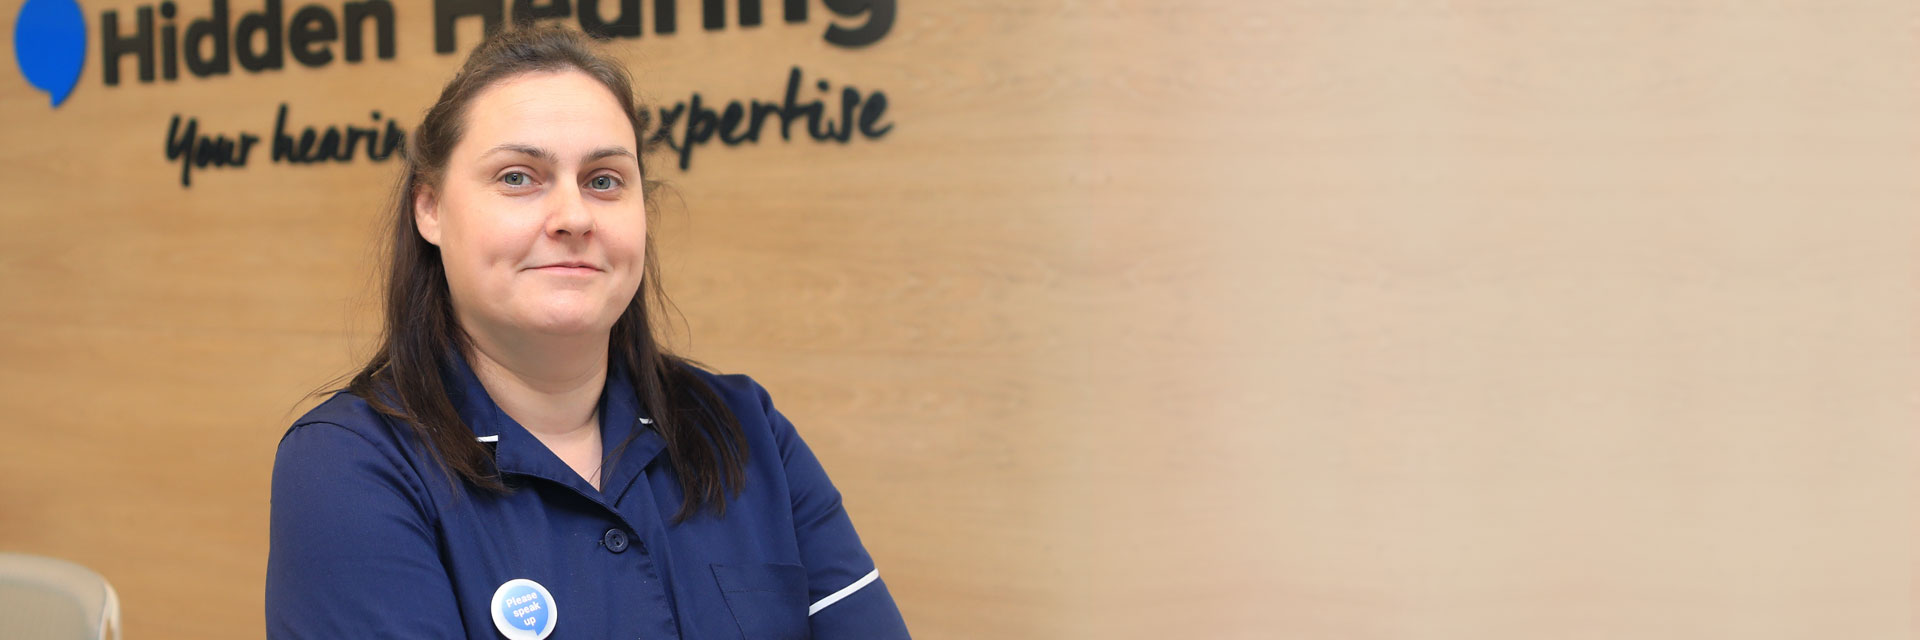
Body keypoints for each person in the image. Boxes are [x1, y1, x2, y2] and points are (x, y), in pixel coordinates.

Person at [265, 26, 910, 639]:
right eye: (518, 177)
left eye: (604, 181)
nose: (573, 216)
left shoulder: (746, 429)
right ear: (430, 209)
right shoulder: (349, 465)